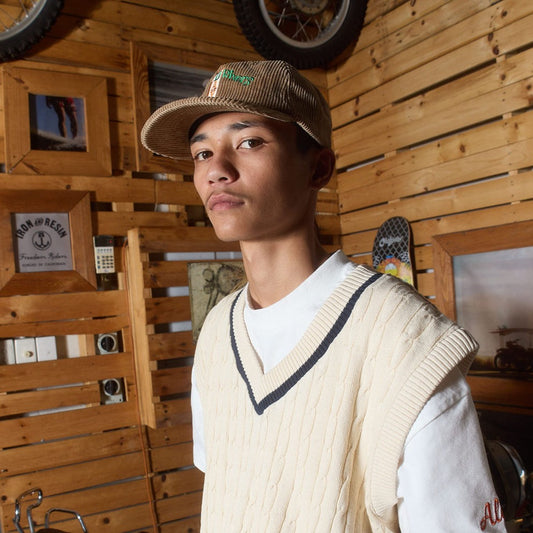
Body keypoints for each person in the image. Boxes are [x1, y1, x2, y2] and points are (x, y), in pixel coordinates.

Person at [141, 60, 506, 532]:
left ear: (319, 167)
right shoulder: (216, 331)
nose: (217, 171)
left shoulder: (403, 338)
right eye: (202, 154)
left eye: (249, 142)